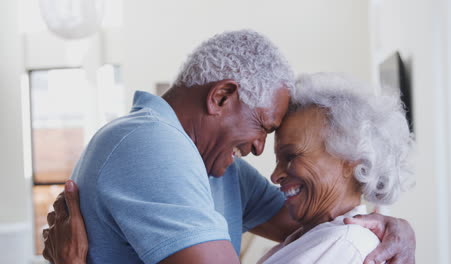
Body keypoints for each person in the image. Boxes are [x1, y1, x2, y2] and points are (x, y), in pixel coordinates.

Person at [42, 30, 416, 264]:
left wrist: (391, 228)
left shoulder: (219, 170)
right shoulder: (150, 144)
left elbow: (322, 219)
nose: (258, 149)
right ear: (221, 97)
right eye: (263, 127)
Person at [257, 73, 414, 263]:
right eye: (278, 160)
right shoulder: (312, 239)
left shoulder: (346, 245)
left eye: (291, 156)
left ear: (351, 159)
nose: (275, 175)